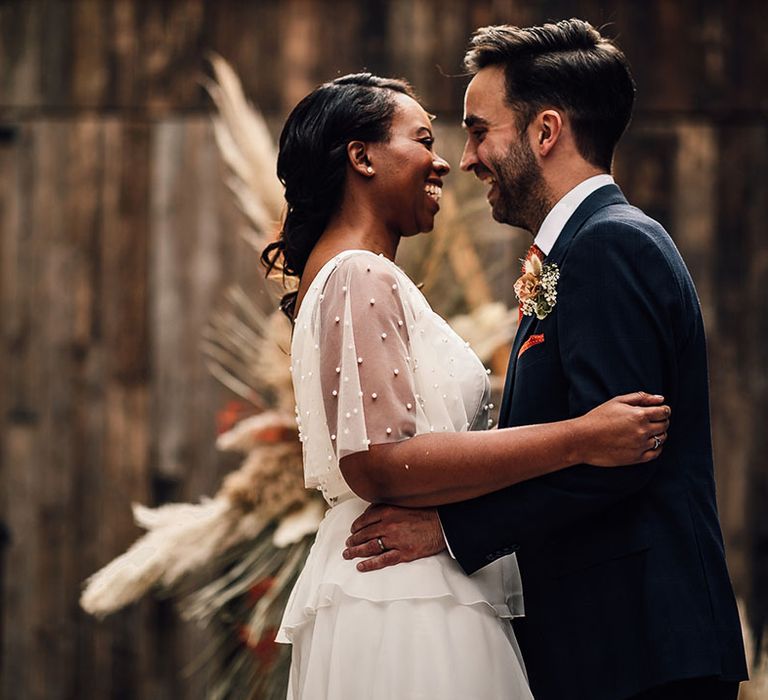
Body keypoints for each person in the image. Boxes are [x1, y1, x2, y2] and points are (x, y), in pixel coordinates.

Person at [343, 19, 749, 700]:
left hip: (643, 647)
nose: (466, 159)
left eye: (479, 130)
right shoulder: (579, 250)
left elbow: (624, 456)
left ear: (545, 132)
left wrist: (449, 530)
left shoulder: (611, 247)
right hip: (609, 645)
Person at [262, 71, 670, 699]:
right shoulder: (359, 274)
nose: (446, 160)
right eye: (422, 139)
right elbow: (380, 461)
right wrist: (581, 436)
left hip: (407, 577)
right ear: (362, 157)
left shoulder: (346, 274)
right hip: (407, 594)